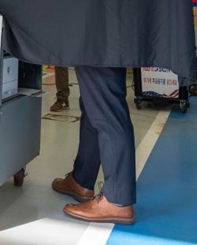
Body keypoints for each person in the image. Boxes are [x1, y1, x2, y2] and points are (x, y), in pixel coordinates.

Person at [52, 66, 135, 225]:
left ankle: (117, 200)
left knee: (106, 100)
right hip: (103, 44)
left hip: (100, 44)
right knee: (93, 99)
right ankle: (81, 179)